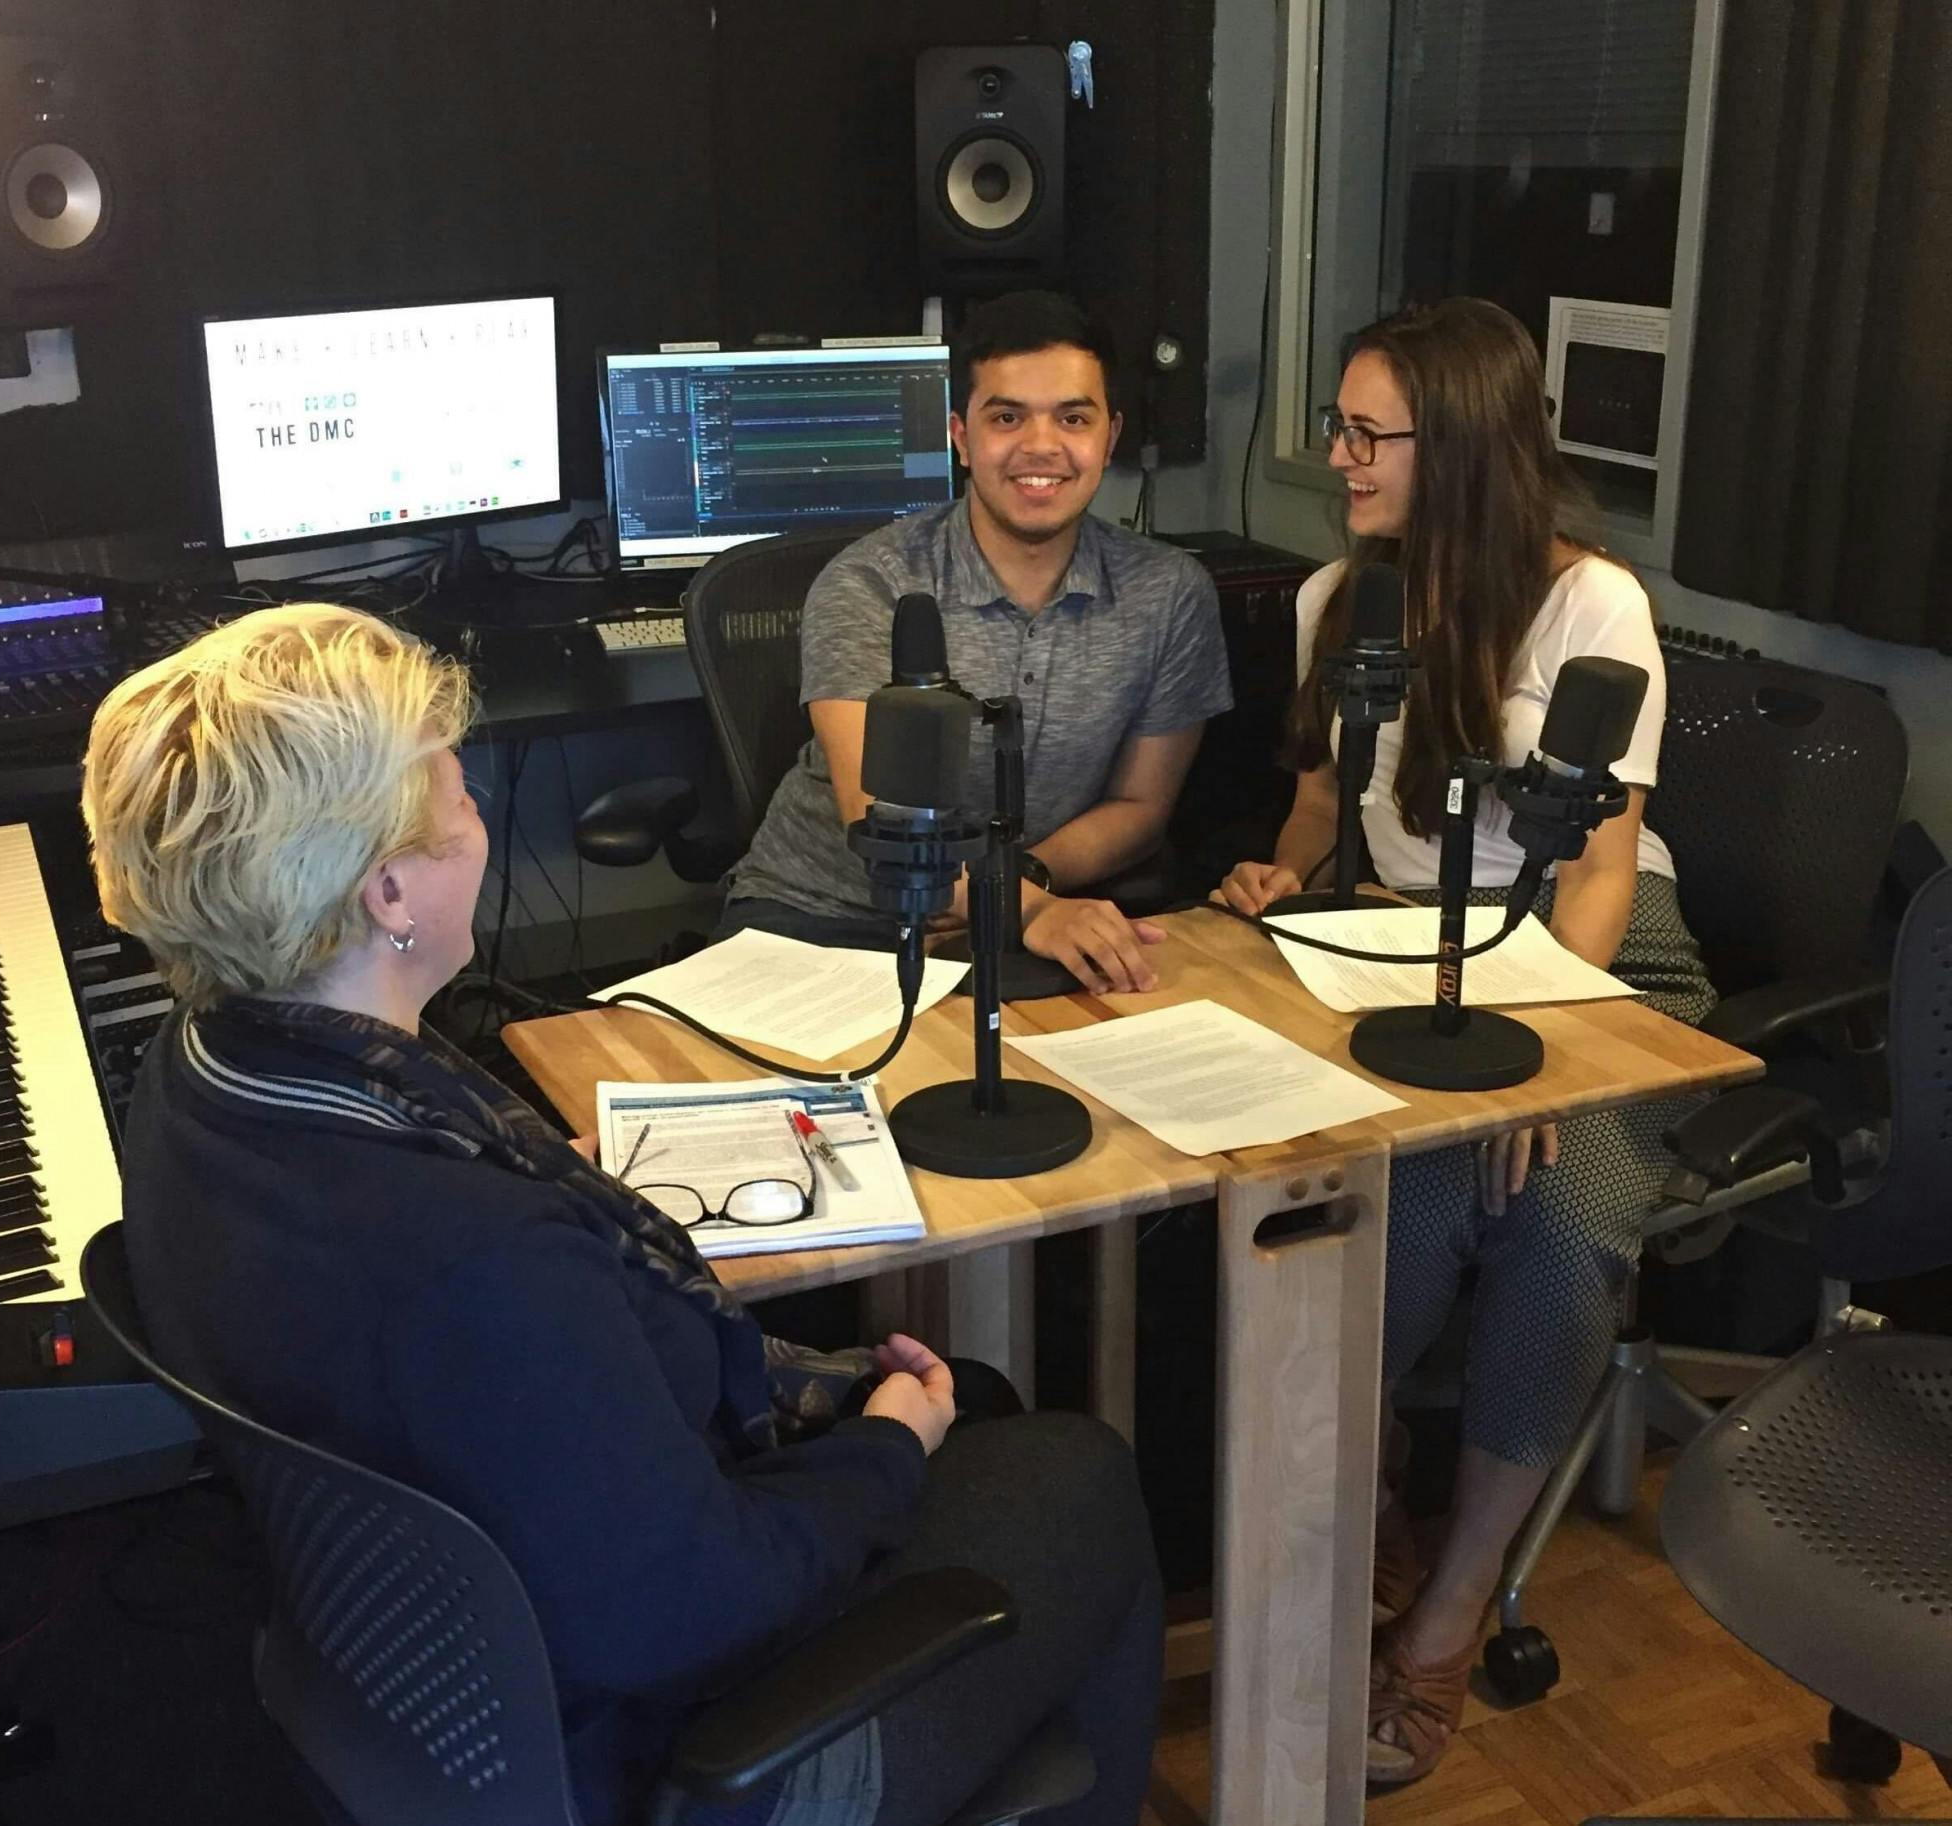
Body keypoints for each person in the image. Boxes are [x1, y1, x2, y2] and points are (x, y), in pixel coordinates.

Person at [82, 603, 1162, 1826]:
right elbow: (689, 1605)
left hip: (417, 1687)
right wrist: (887, 1446)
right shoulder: (481, 1257)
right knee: (1076, 1472)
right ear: (387, 886)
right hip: (668, 1751)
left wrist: (553, 1198)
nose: (478, 824)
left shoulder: (205, 1071)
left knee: (980, 1402)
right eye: (461, 802)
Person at [1218, 298, 1715, 1785]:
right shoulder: (1336, 602)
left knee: (1560, 1224)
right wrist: (1279, 874)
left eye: (1369, 433)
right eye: (1338, 426)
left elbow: (1604, 867)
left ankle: (1440, 1619)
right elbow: (1325, 807)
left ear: (1469, 445)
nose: (1338, 457)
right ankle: (1366, 1505)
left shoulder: (1589, 609)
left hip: (1585, 965)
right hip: (1396, 952)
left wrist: (1541, 1049)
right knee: (1380, 1217)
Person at [722, 289, 1232, 994]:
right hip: (824, 917)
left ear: (1109, 437)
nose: (1042, 446)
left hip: (1030, 911)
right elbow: (879, 820)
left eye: (1073, 418)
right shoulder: (871, 583)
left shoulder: (1170, 593)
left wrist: (1017, 890)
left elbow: (1141, 809)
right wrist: (1021, 907)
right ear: (962, 436)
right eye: (1007, 417)